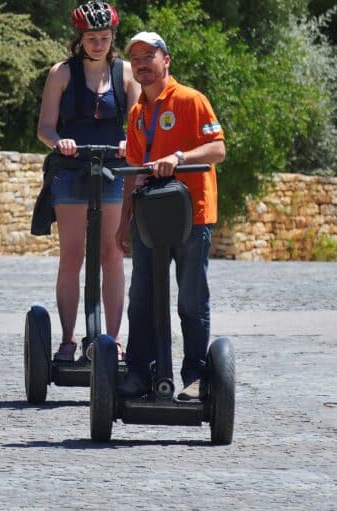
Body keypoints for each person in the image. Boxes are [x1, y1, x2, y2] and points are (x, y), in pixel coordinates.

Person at [114, 31, 227, 400]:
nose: (142, 63)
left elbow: (217, 149)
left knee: (190, 301)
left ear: (166, 60)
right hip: (149, 220)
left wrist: (178, 158)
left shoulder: (190, 100)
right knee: (141, 298)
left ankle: (195, 376)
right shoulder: (137, 113)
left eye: (149, 55)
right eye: (136, 58)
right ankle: (140, 373)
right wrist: (124, 220)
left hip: (191, 217)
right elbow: (133, 170)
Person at [35, 1, 141, 361]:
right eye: (92, 38)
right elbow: (45, 128)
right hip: (71, 168)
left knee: (112, 253)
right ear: (79, 39)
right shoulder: (61, 73)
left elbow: (138, 124)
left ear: (114, 38)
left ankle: (112, 341)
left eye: (105, 37)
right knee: (73, 254)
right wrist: (58, 141)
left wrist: (131, 143)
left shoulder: (125, 74)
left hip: (112, 170)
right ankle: (67, 339)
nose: (98, 44)